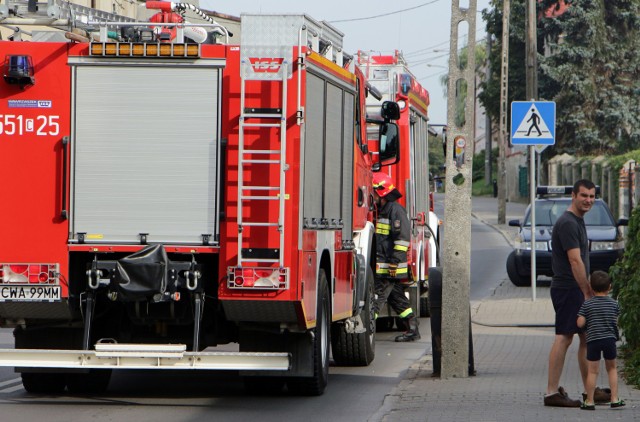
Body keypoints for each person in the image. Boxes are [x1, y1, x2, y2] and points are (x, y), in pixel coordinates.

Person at [544, 179, 611, 407]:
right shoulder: (568, 223)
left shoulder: (577, 220)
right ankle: (551, 392)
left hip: (573, 288)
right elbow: (575, 260)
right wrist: (587, 292)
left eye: (592, 196)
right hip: (569, 288)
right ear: (573, 195)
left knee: (584, 338)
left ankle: (590, 390)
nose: (588, 200)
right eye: (584, 195)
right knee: (564, 337)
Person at [371, 172, 419, 342]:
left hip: (390, 267)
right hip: (385, 265)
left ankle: (366, 332)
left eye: (374, 192)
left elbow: (402, 240)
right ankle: (412, 329)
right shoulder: (384, 210)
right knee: (396, 297)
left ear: (381, 192)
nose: (372, 195)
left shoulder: (395, 211)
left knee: (377, 297)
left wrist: (393, 263)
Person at [577, 270, 625, 410]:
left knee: (592, 371)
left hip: (593, 341)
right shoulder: (614, 304)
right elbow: (618, 320)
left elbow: (580, 323)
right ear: (609, 287)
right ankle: (615, 399)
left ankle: (590, 401)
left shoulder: (587, 304)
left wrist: (585, 321)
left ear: (591, 287)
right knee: (612, 368)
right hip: (609, 340)